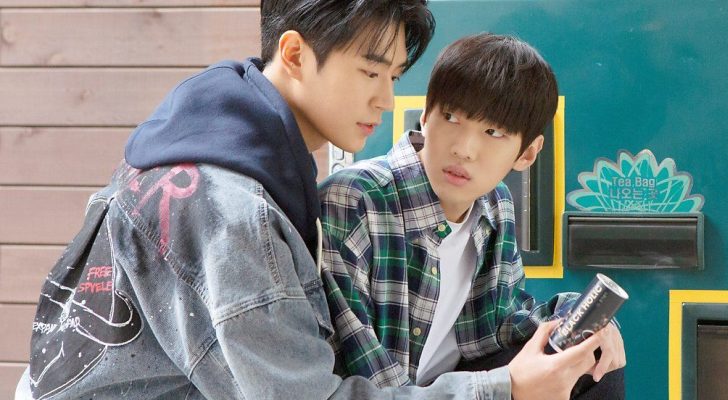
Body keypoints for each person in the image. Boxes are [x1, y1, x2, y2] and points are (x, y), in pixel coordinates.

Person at [19, 2, 609, 400]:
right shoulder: (232, 209)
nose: (385, 101)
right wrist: (505, 389)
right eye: (370, 73)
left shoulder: (217, 147)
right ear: (297, 54)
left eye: (394, 78)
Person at [319, 33, 627, 400]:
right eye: (451, 117)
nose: (463, 149)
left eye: (492, 132)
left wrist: (583, 319)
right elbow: (368, 381)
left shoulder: (495, 205)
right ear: (426, 115)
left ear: (527, 153)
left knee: (591, 359)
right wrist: (500, 388)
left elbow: (499, 328)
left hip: (454, 388)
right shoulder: (353, 201)